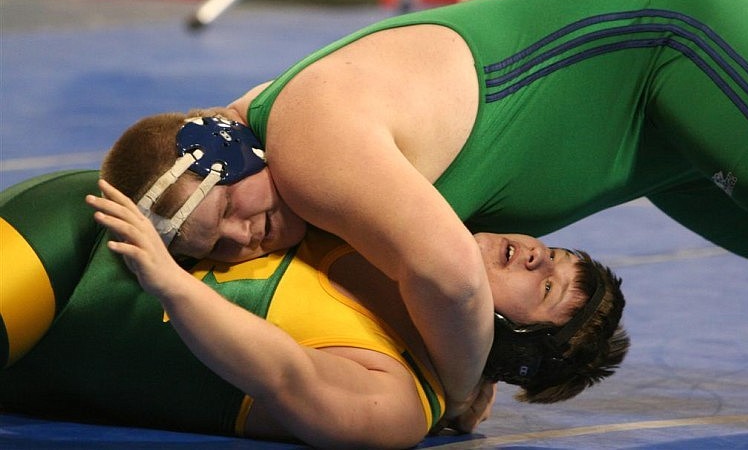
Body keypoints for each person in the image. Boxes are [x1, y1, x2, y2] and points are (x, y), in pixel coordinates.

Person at [99, 0, 748, 418]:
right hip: (656, 146)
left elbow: (454, 278)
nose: (247, 235)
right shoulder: (286, 173)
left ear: (229, 147)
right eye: (221, 243)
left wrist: (455, 386)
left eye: (230, 209)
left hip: (676, 45)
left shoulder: (306, 145)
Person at [0, 171, 627, 448]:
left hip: (71, 303)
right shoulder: (406, 231)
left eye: (547, 289)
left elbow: (283, 373)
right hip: (76, 229)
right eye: (559, 254)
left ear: (512, 344)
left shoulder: (399, 406)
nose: (539, 256)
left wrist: (171, 282)